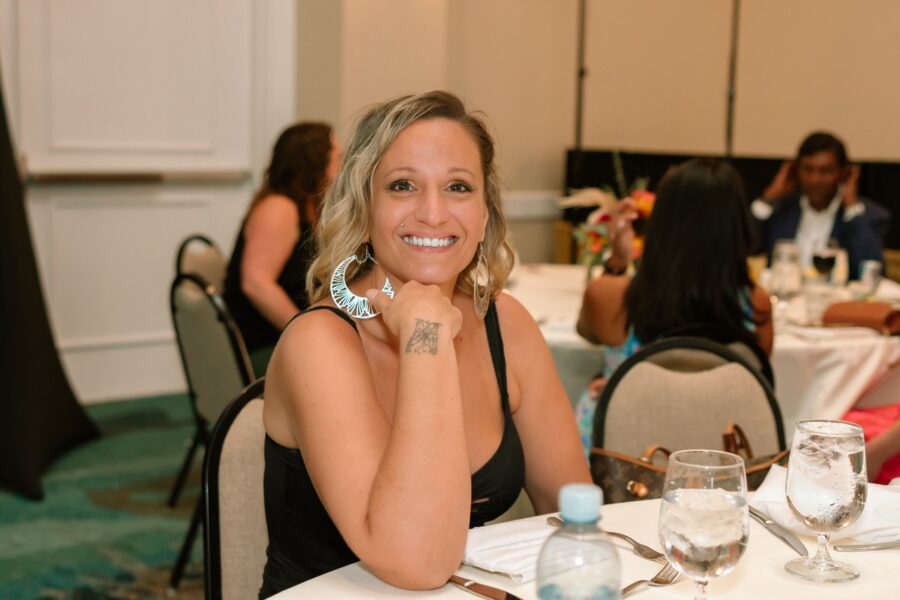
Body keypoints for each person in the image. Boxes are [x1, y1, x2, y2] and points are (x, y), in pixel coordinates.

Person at [258, 91, 590, 596]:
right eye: (403, 186)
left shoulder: (505, 323)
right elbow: (416, 561)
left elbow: (577, 510)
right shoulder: (319, 343)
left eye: (458, 187)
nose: (433, 213)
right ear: (365, 210)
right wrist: (426, 339)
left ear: (484, 215)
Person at [575, 158, 774, 453]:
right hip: (717, 455)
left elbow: (587, 331)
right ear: (738, 228)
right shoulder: (755, 305)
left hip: (626, 455)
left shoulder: (611, 296)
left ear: (660, 224)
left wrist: (617, 263)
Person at [223, 122, 339, 376]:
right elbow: (256, 283)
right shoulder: (279, 208)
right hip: (260, 344)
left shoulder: (306, 207)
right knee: (350, 359)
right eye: (336, 158)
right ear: (314, 164)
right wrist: (304, 331)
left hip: (277, 334)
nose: (340, 168)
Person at [752, 131, 889, 280]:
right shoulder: (780, 210)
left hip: (839, 300)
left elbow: (872, 273)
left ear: (844, 173)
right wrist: (768, 197)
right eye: (808, 170)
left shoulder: (866, 216)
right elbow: (745, 248)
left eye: (825, 171)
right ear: (796, 171)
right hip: (785, 296)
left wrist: (851, 207)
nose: (815, 180)